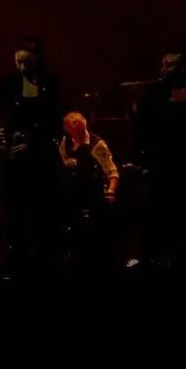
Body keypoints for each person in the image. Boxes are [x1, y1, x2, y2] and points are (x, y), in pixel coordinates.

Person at [134, 47, 186, 267]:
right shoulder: (153, 94)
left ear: (183, 67)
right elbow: (142, 128)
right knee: (160, 216)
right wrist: (145, 160)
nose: (164, 69)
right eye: (164, 64)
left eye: (170, 64)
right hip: (161, 166)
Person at [0, 35, 63, 269]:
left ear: (37, 61)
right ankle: (17, 261)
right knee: (16, 213)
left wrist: (33, 142)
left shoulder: (50, 84)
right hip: (15, 154)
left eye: (26, 63)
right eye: (18, 62)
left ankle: (45, 262)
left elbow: (56, 121)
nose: (21, 67)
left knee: (43, 214)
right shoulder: (8, 83)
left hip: (41, 154)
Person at [57, 111, 120, 266]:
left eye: (78, 131)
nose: (75, 134)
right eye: (71, 131)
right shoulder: (65, 143)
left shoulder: (97, 145)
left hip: (93, 195)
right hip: (71, 196)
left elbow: (112, 172)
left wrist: (111, 191)